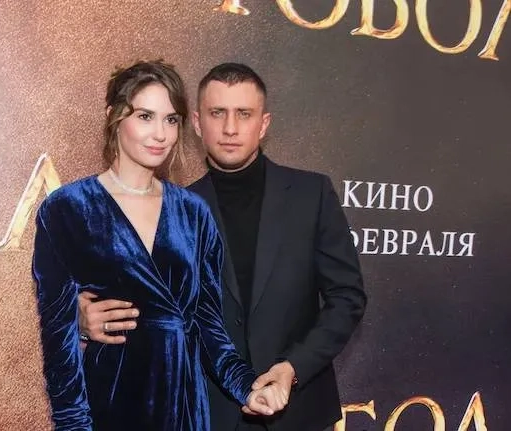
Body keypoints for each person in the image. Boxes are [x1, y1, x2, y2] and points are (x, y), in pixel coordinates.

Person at [78, 63, 367, 431]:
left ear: (263, 123)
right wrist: (81, 320)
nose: (230, 128)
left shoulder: (312, 194)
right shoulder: (170, 209)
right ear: (198, 124)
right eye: (218, 113)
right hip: (205, 414)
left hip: (298, 413)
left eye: (244, 114)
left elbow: (347, 298)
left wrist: (292, 368)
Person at [32, 60, 289, 431]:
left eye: (171, 120)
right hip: (109, 401)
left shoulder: (193, 212)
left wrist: (246, 388)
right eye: (145, 116)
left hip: (183, 405)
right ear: (113, 116)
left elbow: (208, 326)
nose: (160, 134)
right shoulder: (67, 208)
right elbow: (58, 341)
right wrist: (73, 425)